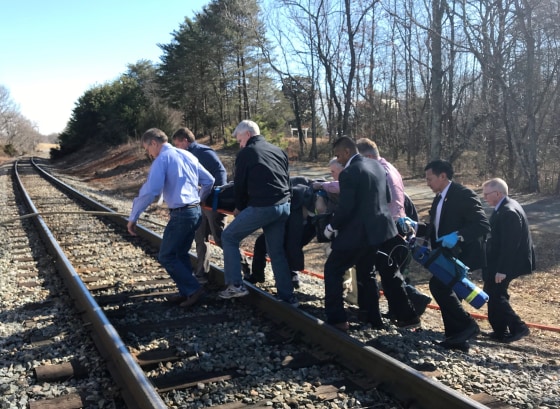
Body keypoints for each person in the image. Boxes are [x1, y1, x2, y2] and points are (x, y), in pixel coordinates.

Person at [400, 159, 490, 352]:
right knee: (448, 290)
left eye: (430, 178)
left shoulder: (463, 194)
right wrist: (416, 227)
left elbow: (482, 225)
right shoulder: (439, 198)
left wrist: (458, 236)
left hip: (462, 254)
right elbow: (435, 229)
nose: (427, 183)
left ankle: (466, 326)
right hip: (445, 253)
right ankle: (456, 338)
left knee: (439, 286)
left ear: (443, 176)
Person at [127, 128, 215, 307]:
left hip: (182, 214)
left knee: (166, 255)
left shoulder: (162, 160)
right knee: (180, 253)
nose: (148, 153)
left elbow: (151, 191)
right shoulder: (188, 155)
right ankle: (186, 292)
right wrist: (198, 200)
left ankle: (193, 289)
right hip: (194, 212)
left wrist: (134, 216)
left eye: (147, 148)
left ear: (154, 143)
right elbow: (209, 180)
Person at [218, 120, 297, 306]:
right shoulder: (278, 150)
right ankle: (288, 297)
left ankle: (235, 285)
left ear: (247, 134)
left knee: (229, 236)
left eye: (239, 140)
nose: (239, 144)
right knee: (276, 252)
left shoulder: (247, 152)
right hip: (284, 205)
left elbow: (240, 184)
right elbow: (287, 179)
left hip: (263, 206)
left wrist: (239, 206)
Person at [322, 137, 397, 331]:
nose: (337, 160)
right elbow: (386, 197)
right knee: (367, 271)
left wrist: (331, 227)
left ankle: (337, 318)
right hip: (379, 231)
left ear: (347, 152)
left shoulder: (349, 172)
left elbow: (346, 207)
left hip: (358, 233)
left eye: (338, 155)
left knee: (333, 270)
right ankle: (374, 317)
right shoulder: (377, 166)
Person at [355, 138, 427, 327]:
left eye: (360, 160)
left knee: (388, 273)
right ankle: (406, 309)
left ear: (369, 156)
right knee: (389, 272)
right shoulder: (390, 168)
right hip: (395, 227)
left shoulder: (380, 172)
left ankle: (408, 314)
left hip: (389, 228)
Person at [172, 127, 228, 283]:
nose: (177, 148)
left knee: (220, 238)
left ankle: (245, 267)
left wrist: (216, 196)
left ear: (185, 141)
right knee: (200, 238)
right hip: (198, 202)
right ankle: (202, 273)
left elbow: (220, 172)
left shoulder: (204, 152)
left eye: (178, 144)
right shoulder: (185, 155)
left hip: (212, 203)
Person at [481, 178, 534, 342]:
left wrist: (502, 270)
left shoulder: (508, 211)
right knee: (493, 292)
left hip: (509, 263)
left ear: (497, 193)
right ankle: (499, 330)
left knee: (495, 294)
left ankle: (519, 327)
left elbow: (510, 245)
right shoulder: (502, 207)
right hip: (500, 261)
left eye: (486, 194)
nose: (484, 198)